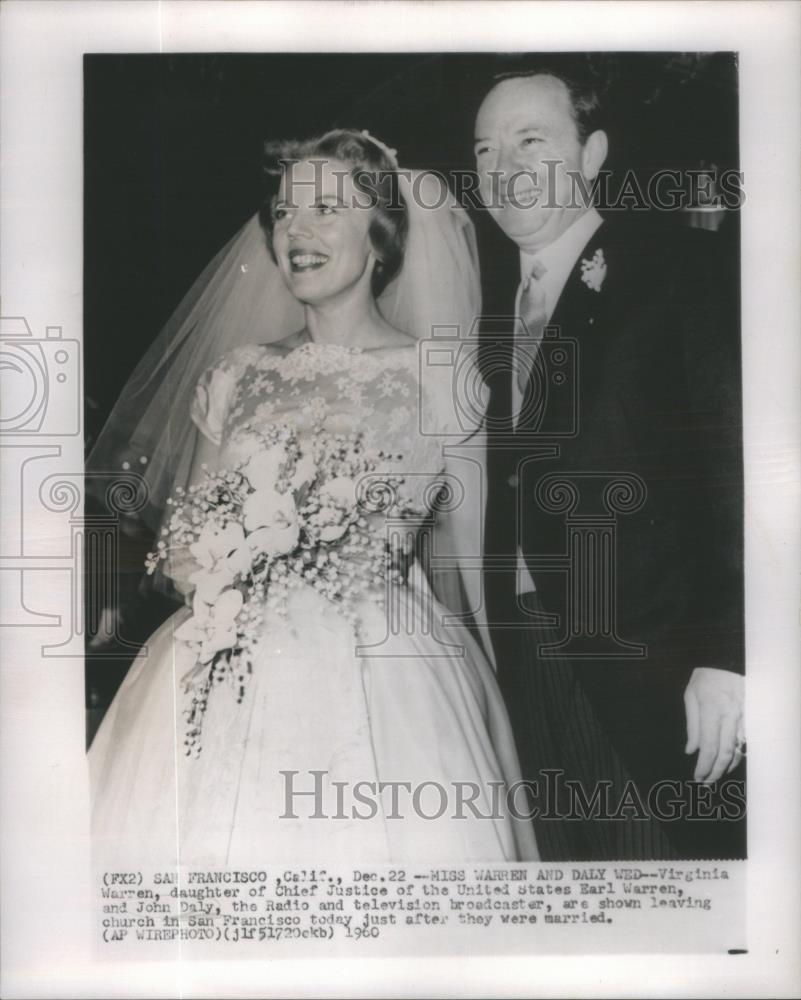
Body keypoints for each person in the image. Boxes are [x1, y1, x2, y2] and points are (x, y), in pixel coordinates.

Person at [87, 129, 538, 866]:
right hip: (229, 658)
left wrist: (497, 700)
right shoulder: (235, 376)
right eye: (285, 212)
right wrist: (236, 566)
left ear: (382, 234)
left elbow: (480, 563)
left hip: (390, 669)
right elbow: (191, 544)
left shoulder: (442, 380)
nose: (297, 232)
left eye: (327, 209)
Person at [474, 66, 745, 860]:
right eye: (486, 150)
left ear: (591, 154)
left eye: (532, 140)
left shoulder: (682, 269)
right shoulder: (490, 312)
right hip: (524, 659)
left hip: (656, 666)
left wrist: (730, 655)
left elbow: (741, 469)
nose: (504, 168)